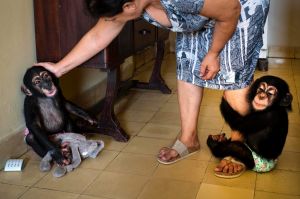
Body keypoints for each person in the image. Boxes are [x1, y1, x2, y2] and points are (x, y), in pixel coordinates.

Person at [36, 0, 270, 177]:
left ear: (129, 5)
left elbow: (229, 11)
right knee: (189, 63)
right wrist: (58, 68)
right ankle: (188, 140)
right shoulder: (128, 2)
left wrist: (213, 53)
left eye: (117, 14)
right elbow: (103, 31)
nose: (113, 19)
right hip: (202, 10)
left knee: (232, 74)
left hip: (236, 7)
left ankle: (239, 145)